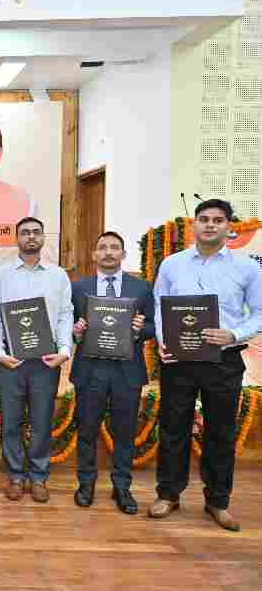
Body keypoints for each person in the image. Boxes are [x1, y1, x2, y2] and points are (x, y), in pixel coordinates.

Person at [149, 199, 262, 531]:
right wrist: (163, 341)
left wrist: (233, 334)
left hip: (224, 359)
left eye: (217, 220)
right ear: (194, 225)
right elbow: (159, 307)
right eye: (203, 219)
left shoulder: (247, 268)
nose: (210, 225)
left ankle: (218, 501)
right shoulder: (172, 264)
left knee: (221, 432)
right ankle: (168, 494)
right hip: (179, 359)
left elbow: (259, 313)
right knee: (173, 428)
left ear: (229, 227)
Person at [0, 217, 73, 503]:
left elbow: (65, 314)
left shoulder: (58, 275)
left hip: (45, 360)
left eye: (36, 232)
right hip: (10, 359)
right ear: (17, 238)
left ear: (43, 237)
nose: (31, 237)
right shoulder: (1, 274)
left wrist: (64, 350)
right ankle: (15, 476)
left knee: (41, 421)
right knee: (11, 420)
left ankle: (38, 477)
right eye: (25, 233)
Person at [70, 231, 154, 514]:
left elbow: (154, 326)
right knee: (87, 430)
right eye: (103, 247)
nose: (108, 252)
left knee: (125, 433)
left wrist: (140, 329)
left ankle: (122, 487)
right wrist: (76, 331)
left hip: (126, 371)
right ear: (94, 254)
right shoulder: (78, 288)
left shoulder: (141, 288)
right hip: (89, 369)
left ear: (123, 254)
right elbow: (65, 324)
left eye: (114, 247)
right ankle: (86, 484)